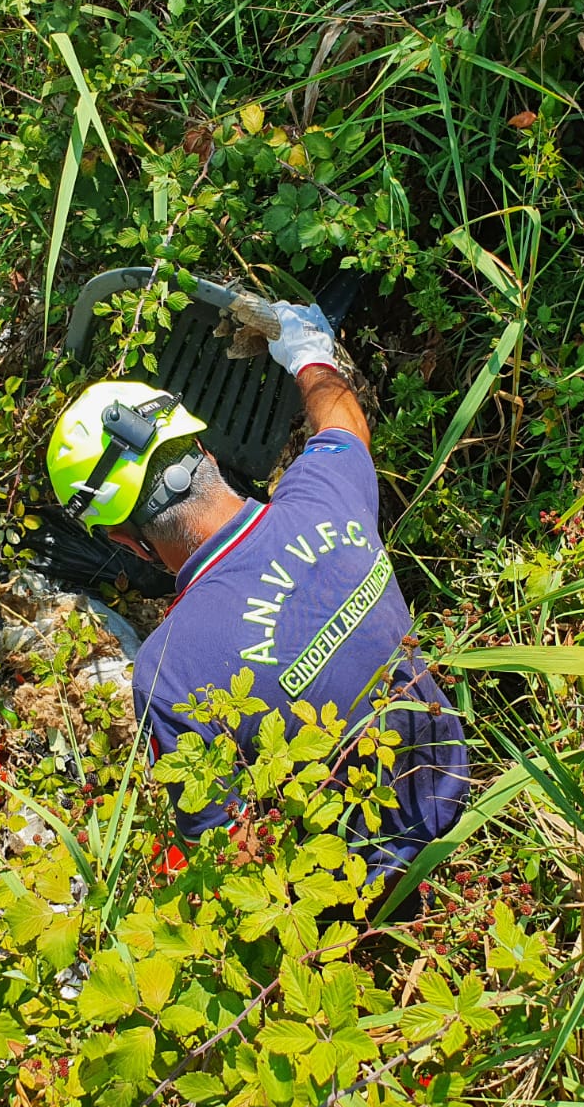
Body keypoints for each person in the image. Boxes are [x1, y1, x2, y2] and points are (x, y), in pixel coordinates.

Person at [45, 300, 468, 904]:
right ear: (207, 454)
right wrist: (309, 355)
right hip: (464, 783)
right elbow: (343, 424)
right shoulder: (327, 492)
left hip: (374, 891)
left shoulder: (171, 670)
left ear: (126, 542)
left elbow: (227, 846)